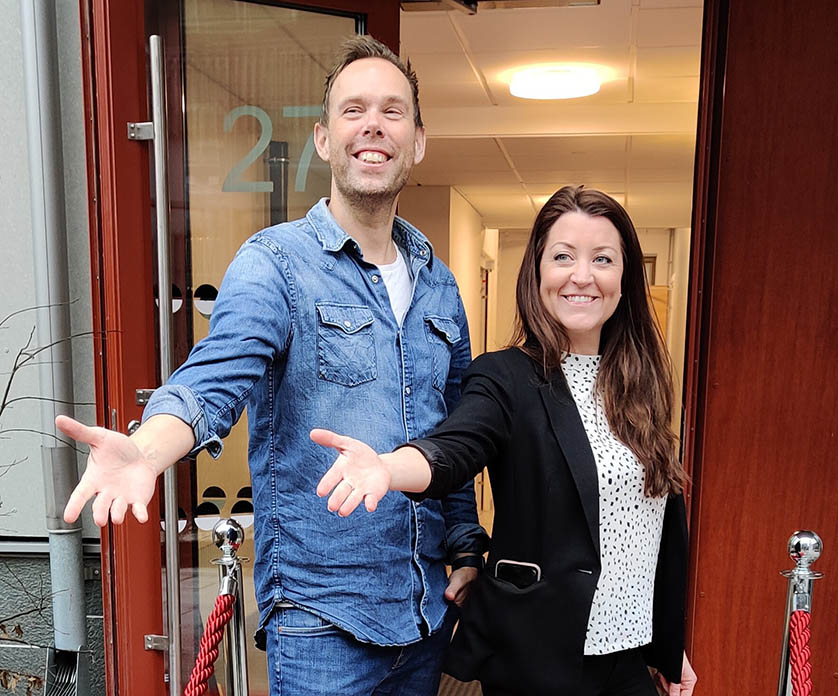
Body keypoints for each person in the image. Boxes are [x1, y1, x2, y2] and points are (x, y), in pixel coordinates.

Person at [56, 35, 488, 696]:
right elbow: (214, 380)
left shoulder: (440, 285)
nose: (373, 125)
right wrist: (146, 450)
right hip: (322, 626)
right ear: (324, 139)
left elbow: (452, 433)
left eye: (392, 111)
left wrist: (465, 547)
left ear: (418, 141)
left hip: (425, 615)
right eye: (353, 110)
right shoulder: (276, 265)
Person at [312, 185, 698, 696]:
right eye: (563, 256)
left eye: (602, 258)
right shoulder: (506, 377)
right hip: (540, 660)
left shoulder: (638, 384)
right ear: (537, 273)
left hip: (628, 662)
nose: (582, 275)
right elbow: (455, 447)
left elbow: (652, 530)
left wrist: (669, 646)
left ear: (625, 279)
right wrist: (389, 467)